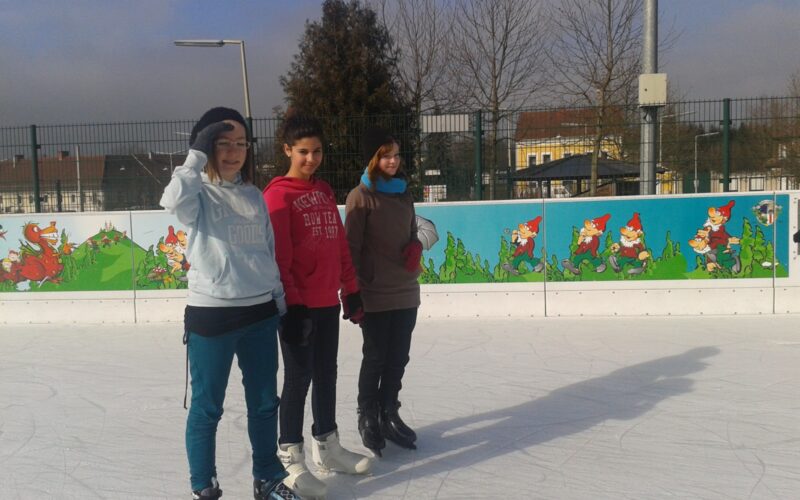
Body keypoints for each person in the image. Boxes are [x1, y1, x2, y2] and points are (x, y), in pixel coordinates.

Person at [160, 107, 301, 500]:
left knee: (263, 402)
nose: (234, 151)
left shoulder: (254, 195)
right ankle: (203, 486)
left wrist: (281, 307)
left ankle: (268, 478)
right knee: (207, 408)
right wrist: (194, 157)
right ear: (207, 147)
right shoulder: (196, 193)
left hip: (260, 314)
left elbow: (266, 254)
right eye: (223, 143)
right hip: (213, 316)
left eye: (241, 143)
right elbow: (170, 202)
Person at [263, 112, 371, 499]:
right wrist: (293, 307)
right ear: (287, 150)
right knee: (298, 378)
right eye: (303, 152)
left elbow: (339, 245)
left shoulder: (324, 192)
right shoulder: (277, 196)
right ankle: (289, 458)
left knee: (327, 372)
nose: (311, 159)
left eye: (317, 151)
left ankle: (327, 445)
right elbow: (280, 259)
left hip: (326, 302)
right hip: (298, 307)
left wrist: (351, 289)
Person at [344, 126, 422, 457]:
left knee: (398, 356)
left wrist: (415, 246)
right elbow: (351, 249)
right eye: (385, 155)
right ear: (374, 158)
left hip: (405, 288)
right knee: (375, 356)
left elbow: (411, 230)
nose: (393, 160)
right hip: (375, 291)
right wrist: (352, 293)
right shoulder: (360, 197)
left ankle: (389, 410)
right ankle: (367, 416)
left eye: (396, 154)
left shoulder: (404, 193)